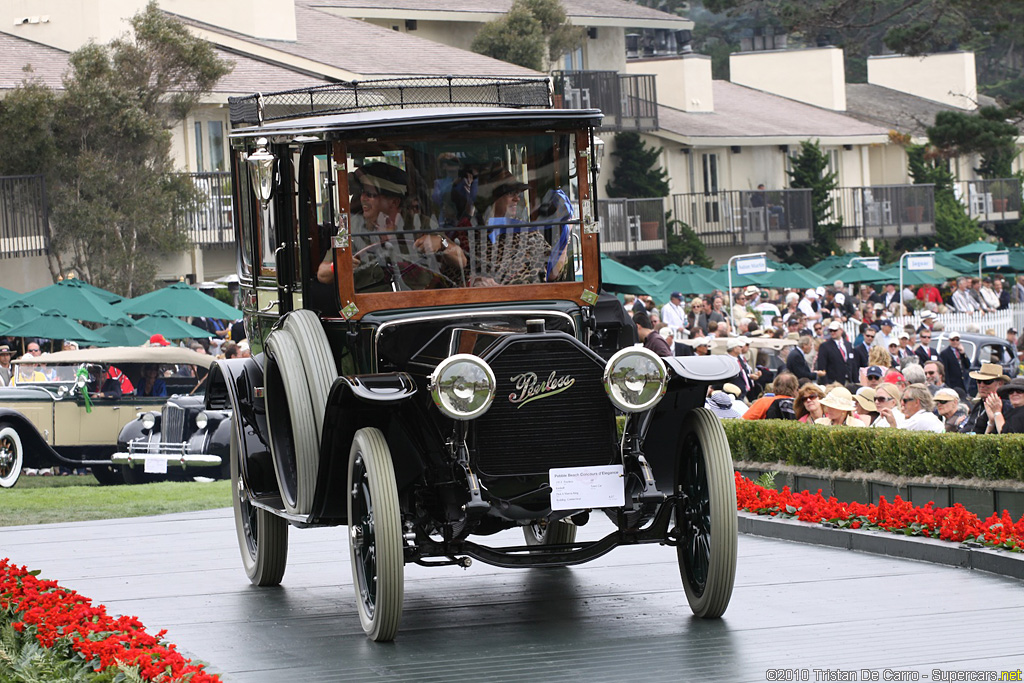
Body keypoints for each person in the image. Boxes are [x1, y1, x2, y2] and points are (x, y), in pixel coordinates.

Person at [317, 161, 467, 290]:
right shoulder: (350, 227)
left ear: (394, 202)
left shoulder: (421, 224)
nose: (362, 199)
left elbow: (462, 260)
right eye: (363, 193)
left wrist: (442, 243)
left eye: (370, 195)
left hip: (419, 305)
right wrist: (339, 266)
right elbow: (323, 274)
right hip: (369, 310)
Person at [960, 362, 1009, 434]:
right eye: (979, 381)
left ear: (1000, 383)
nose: (981, 385)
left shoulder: (1005, 406)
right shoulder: (979, 405)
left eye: (987, 381)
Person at [816, 320, 854, 384]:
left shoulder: (848, 345)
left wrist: (855, 381)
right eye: (831, 331)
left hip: (848, 380)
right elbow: (821, 367)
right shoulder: (824, 346)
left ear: (841, 330)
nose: (832, 332)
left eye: (835, 330)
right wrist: (826, 384)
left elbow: (852, 364)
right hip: (833, 382)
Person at [661, 292, 688, 356]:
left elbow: (684, 319)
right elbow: (665, 323)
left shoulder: (680, 308)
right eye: (679, 299)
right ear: (673, 299)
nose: (680, 301)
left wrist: (685, 323)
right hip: (672, 333)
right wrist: (676, 328)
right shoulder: (666, 308)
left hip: (681, 334)